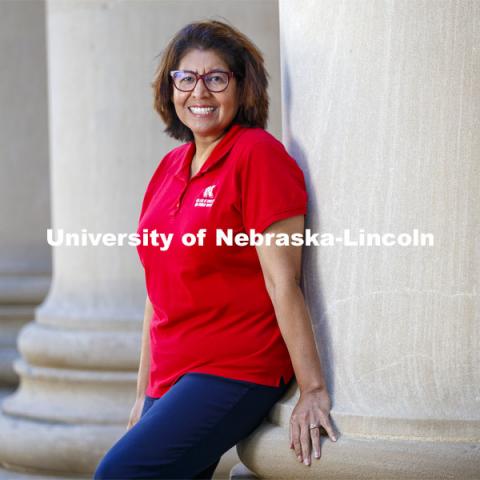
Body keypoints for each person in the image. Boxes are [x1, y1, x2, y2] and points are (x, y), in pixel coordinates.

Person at [93, 19, 337, 480]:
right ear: (171, 89)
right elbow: (157, 292)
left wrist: (313, 389)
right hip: (171, 377)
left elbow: (283, 281)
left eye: (216, 78)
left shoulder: (257, 155)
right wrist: (143, 397)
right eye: (186, 78)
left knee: (119, 474)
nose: (199, 92)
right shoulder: (169, 168)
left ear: (242, 87)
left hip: (235, 369)